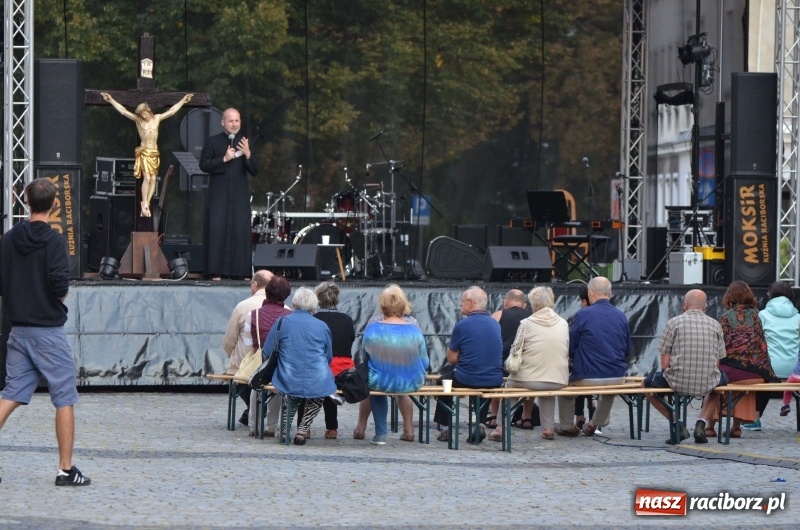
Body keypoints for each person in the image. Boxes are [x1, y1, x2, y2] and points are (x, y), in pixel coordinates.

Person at [0, 178, 91, 486]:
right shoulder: (54, 241)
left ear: (26, 204)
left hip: (18, 331)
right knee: (64, 397)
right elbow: (60, 287)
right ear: (54, 205)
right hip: (47, 331)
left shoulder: (9, 238)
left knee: (10, 395)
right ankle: (66, 470)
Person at [642, 289, 728, 444]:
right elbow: (717, 362)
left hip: (677, 381)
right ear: (705, 306)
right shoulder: (716, 325)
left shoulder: (673, 323)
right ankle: (701, 423)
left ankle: (677, 424)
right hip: (707, 380)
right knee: (719, 383)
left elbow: (665, 364)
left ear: (685, 304)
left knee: (646, 385)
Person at [487, 286, 569, 441]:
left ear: (533, 304)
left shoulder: (526, 323)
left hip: (529, 379)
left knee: (510, 388)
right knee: (547, 390)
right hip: (558, 379)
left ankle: (500, 428)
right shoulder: (563, 323)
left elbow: (516, 350)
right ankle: (548, 428)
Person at [557, 276, 630, 437]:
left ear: (590, 292)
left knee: (564, 390)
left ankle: (568, 426)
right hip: (617, 375)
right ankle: (595, 423)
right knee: (609, 390)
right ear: (610, 294)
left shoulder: (583, 315)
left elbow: (570, 345)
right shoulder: (621, 316)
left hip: (588, 376)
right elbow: (627, 350)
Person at [262, 287, 337, 445]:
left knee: (291, 395)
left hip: (287, 375)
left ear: (294, 303)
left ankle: (285, 429)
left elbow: (267, 351)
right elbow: (328, 357)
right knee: (317, 397)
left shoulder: (282, 322)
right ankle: (302, 431)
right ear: (313, 306)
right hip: (317, 378)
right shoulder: (322, 326)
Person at [101, 92, 193, 217]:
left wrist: (183, 101)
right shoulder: (138, 121)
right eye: (142, 114)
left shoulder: (157, 118)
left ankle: (147, 203)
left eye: (145, 113)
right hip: (144, 152)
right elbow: (123, 111)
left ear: (149, 111)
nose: (144, 116)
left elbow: (172, 111)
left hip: (154, 153)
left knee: (153, 179)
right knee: (147, 178)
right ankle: (143, 202)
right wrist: (111, 100)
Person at [359, 286, 429, 445]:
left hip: (380, 381)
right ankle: (409, 430)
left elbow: (364, 359)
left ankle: (381, 435)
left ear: (382, 306)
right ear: (404, 306)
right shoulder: (414, 330)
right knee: (394, 387)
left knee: (375, 388)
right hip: (411, 381)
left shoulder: (372, 329)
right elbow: (425, 362)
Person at [432, 286, 503, 443]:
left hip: (468, 377)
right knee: (484, 386)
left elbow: (451, 358)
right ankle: (480, 424)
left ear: (471, 303)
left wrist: (466, 356)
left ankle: (445, 428)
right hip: (495, 378)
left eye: (462, 302)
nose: (460, 305)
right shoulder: (495, 324)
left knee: (443, 382)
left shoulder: (462, 325)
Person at [708, 281, 776, 439]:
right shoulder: (756, 316)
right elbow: (762, 347)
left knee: (715, 381)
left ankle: (709, 427)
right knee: (745, 386)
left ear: (729, 296)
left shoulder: (725, 318)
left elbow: (718, 347)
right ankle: (736, 428)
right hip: (755, 374)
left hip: (730, 372)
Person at [199, 108, 258, 279]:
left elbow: (255, 170)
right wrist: (223, 159)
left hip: (239, 196)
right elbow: (204, 165)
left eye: (237, 121)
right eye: (231, 121)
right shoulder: (213, 142)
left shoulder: (245, 143)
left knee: (240, 230)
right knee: (217, 229)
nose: (234, 124)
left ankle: (241, 272)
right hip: (219, 194)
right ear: (223, 122)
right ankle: (215, 271)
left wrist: (248, 154)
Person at [745, 280, 800, 429]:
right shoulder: (798, 317)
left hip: (770, 369)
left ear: (771, 296)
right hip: (795, 371)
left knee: (760, 374)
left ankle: (754, 419)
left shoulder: (762, 315)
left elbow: (754, 343)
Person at [221, 269, 273, 426]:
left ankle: (254, 408)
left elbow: (229, 340)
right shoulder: (285, 308)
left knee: (241, 374)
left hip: (245, 365)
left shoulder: (243, 306)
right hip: (273, 365)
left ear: (255, 285)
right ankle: (258, 408)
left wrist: (233, 357)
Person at [249, 276, 293, 436]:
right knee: (277, 388)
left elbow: (249, 343)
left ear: (266, 292)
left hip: (261, 360)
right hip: (282, 364)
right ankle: (271, 427)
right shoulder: (290, 315)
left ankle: (254, 426)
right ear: (287, 294)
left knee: (256, 387)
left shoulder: (253, 314)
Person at [312, 282, 356, 440]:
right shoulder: (347, 319)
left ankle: (305, 428)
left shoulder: (313, 319)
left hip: (319, 369)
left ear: (317, 298)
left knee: (309, 386)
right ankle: (332, 429)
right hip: (343, 371)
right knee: (331, 385)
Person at [485, 289, 532, 429]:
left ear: (504, 303)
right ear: (524, 305)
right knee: (530, 382)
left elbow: (489, 343)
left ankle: (493, 416)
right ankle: (526, 417)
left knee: (496, 377)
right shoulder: (532, 317)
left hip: (501, 367)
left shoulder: (498, 315)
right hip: (526, 368)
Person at [570, 285, 595, 431]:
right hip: (610, 371)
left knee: (574, 373)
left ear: (584, 301)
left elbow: (572, 342)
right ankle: (592, 416)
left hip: (584, 370)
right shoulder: (614, 315)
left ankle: (577, 416)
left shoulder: (580, 315)